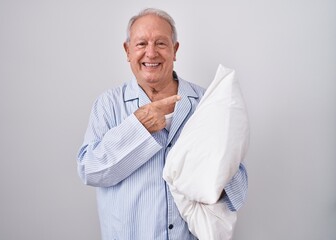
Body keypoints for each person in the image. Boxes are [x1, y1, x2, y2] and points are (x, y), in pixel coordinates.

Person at [77, 8, 248, 240]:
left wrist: (208, 166)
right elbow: (90, 170)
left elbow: (238, 192)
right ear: (127, 51)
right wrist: (140, 127)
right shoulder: (108, 105)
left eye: (160, 43)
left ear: (175, 50)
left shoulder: (207, 103)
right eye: (141, 44)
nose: (151, 52)